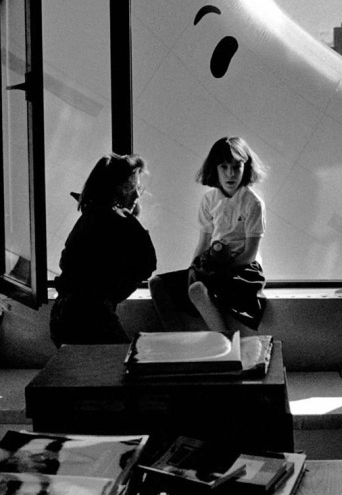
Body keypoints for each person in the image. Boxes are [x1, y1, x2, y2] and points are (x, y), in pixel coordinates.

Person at [149, 136, 268, 335]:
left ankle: (226, 344)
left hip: (243, 269)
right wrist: (195, 267)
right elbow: (203, 242)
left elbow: (249, 254)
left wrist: (216, 271)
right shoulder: (209, 199)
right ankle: (176, 340)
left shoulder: (252, 203)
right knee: (157, 284)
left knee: (196, 290)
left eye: (236, 167)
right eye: (224, 167)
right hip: (213, 263)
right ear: (215, 168)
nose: (230, 174)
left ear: (245, 168)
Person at [49, 153, 157, 347]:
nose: (137, 194)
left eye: (138, 188)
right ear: (115, 189)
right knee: (120, 367)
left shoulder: (89, 218)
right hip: (91, 317)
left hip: (62, 317)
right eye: (131, 187)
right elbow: (148, 262)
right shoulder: (117, 219)